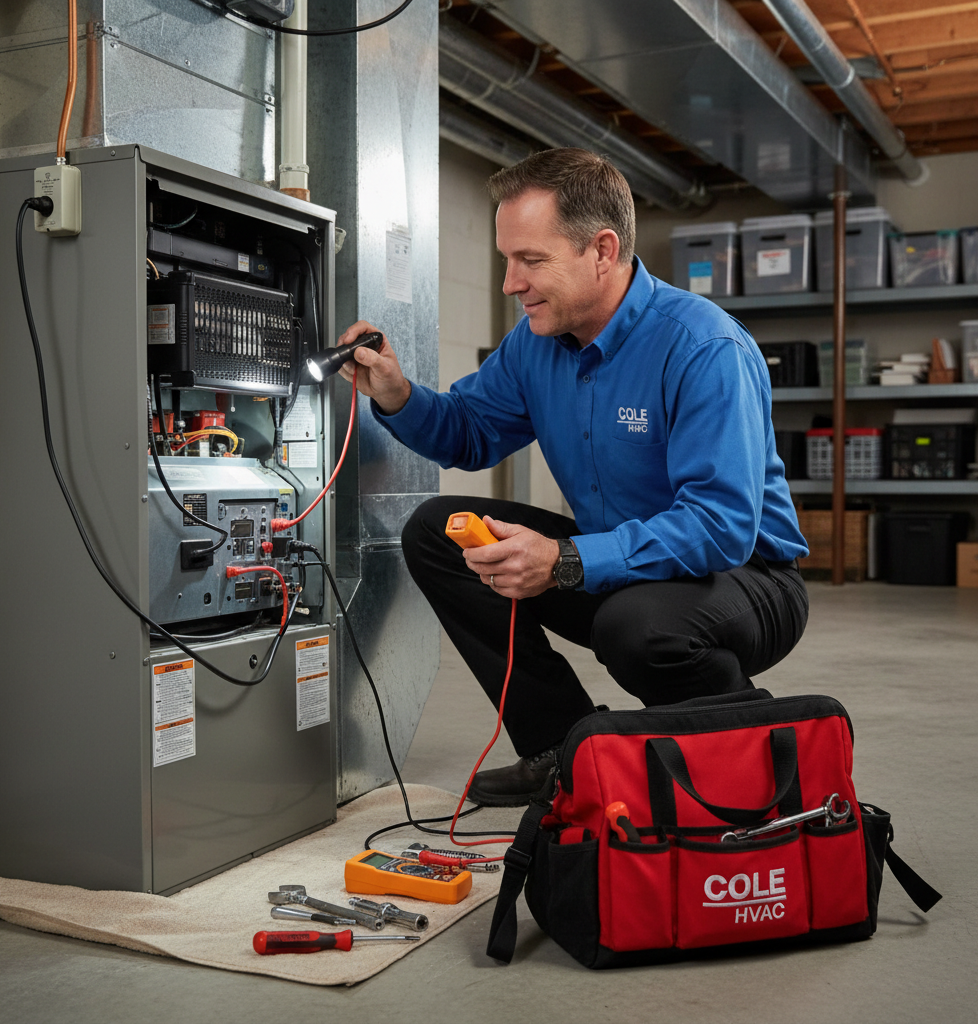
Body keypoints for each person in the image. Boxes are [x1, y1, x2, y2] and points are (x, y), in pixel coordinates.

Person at [336, 148, 809, 806]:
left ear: (603, 251)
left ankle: (743, 758)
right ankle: (564, 755)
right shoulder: (535, 344)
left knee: (638, 627)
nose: (509, 282)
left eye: (530, 260)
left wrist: (564, 559)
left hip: (746, 580)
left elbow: (720, 526)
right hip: (616, 567)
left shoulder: (703, 348)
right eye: (507, 260)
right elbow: (468, 434)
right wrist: (392, 391)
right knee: (438, 531)